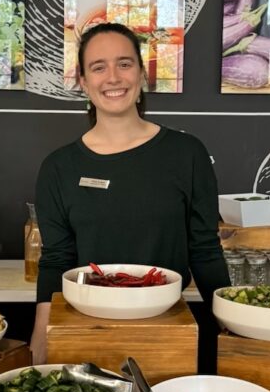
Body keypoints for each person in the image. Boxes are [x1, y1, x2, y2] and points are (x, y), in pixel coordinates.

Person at [30, 22, 229, 363]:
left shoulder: (187, 153)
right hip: (85, 332)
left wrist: (230, 331)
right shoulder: (58, 167)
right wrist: (42, 337)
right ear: (83, 82)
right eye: (98, 67)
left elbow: (205, 250)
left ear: (141, 75)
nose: (113, 77)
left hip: (168, 330)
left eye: (124, 63)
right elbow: (56, 259)